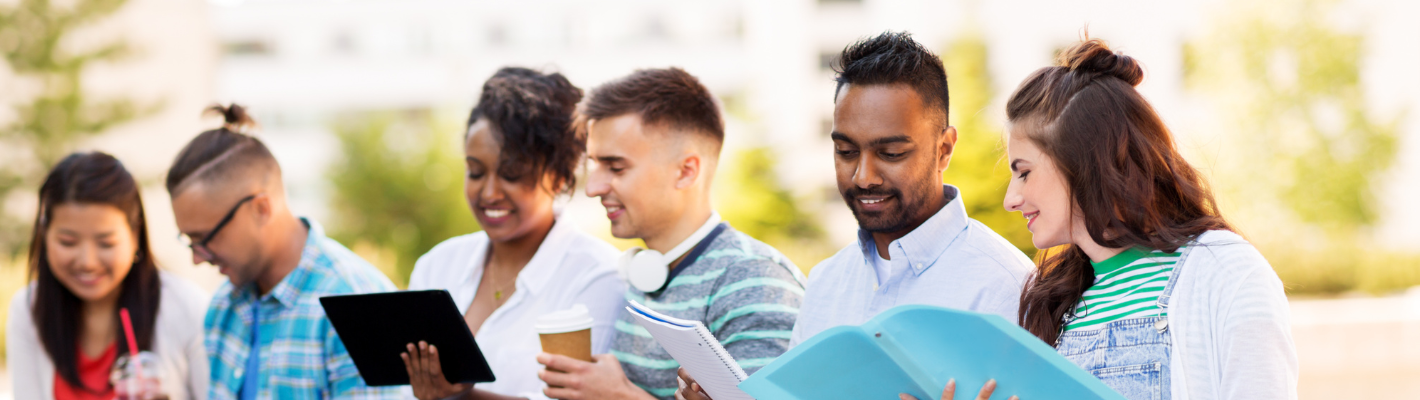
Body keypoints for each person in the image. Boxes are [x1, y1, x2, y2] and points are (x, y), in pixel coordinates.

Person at [908, 38, 1298, 400]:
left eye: (1024, 172)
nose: (1011, 199)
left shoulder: (1225, 272)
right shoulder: (1052, 303)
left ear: (1082, 160)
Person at [674, 30, 1034, 400]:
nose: (863, 176)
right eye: (846, 151)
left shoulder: (1006, 287)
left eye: (891, 153)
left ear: (943, 149)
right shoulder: (826, 281)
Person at [533, 67, 806, 400]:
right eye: (593, 165)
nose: (592, 187)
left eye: (616, 167)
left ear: (685, 171)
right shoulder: (644, 275)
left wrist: (619, 396)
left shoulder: (755, 279)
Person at [400, 67, 626, 400]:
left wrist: (461, 396)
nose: (489, 192)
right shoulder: (437, 265)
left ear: (560, 178)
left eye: (511, 174)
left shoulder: (599, 276)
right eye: (475, 172)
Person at [166, 105, 401, 400]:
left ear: (261, 209)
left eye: (205, 238)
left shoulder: (357, 306)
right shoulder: (224, 307)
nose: (197, 258)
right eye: (189, 241)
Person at [8, 151, 211, 400]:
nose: (87, 262)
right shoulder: (29, 309)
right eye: (68, 242)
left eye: (106, 243)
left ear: (135, 234)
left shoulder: (187, 308)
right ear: (44, 233)